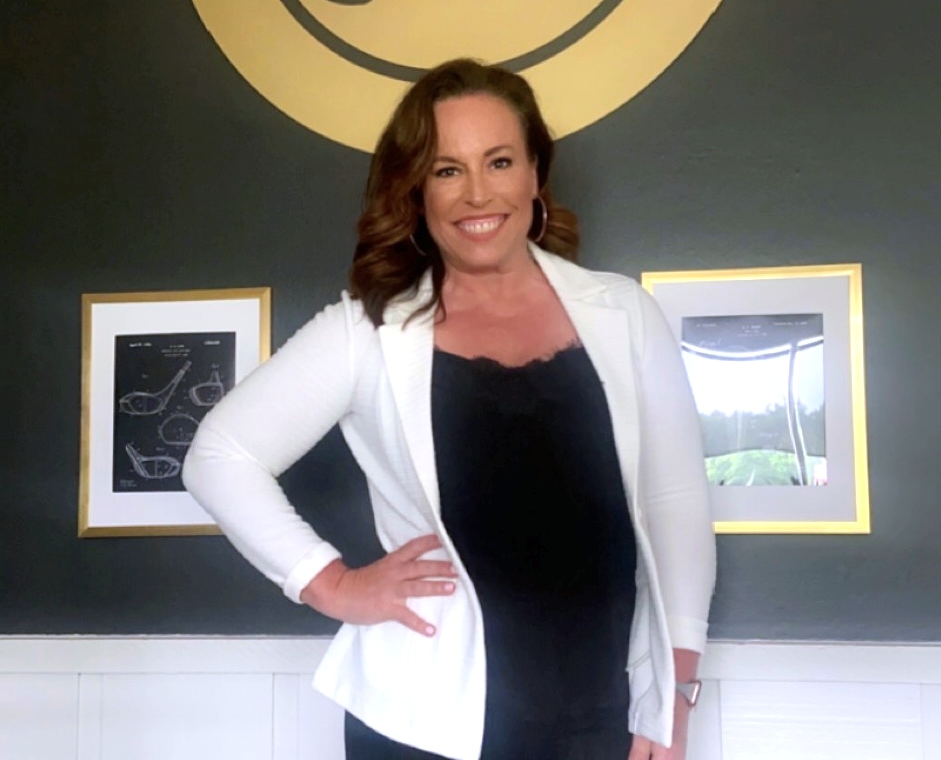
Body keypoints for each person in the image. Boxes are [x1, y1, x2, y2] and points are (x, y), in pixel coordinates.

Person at [182, 58, 716, 760]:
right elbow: (219, 456)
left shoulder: (625, 314)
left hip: (601, 709)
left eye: (499, 161)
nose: (476, 193)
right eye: (446, 169)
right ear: (416, 189)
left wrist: (674, 692)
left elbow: (676, 503)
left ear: (534, 174)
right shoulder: (366, 331)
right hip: (421, 720)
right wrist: (330, 582)